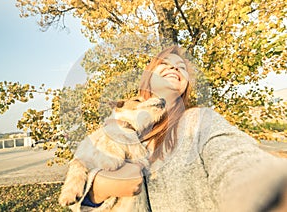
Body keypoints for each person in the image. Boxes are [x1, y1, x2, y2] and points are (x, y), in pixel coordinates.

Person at [71, 46, 287, 211]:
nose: (175, 67)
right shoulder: (110, 130)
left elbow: (235, 158)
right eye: (165, 63)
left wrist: (269, 188)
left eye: (181, 67)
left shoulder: (200, 120)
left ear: (186, 85)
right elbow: (76, 196)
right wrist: (99, 189)